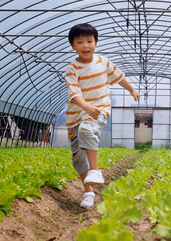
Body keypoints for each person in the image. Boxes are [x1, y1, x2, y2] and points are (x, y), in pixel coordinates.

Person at [65, 23, 140, 208]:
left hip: (99, 110)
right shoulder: (72, 68)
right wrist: (85, 107)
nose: (85, 45)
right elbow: (73, 94)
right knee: (77, 158)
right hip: (75, 114)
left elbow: (119, 76)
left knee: (86, 129)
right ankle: (88, 192)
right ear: (73, 46)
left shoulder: (103, 62)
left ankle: (96, 171)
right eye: (80, 41)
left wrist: (132, 89)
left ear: (95, 43)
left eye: (89, 41)